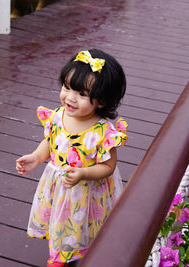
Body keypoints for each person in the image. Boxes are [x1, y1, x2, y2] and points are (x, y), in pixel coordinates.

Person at [16, 49, 128, 267]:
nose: (70, 97)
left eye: (82, 94)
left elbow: (108, 166)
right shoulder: (58, 116)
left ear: (102, 100)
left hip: (87, 189)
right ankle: (61, 254)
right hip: (60, 184)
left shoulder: (103, 132)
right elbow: (51, 142)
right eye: (67, 87)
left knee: (85, 222)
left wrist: (84, 173)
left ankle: (86, 252)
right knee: (62, 220)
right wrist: (36, 157)